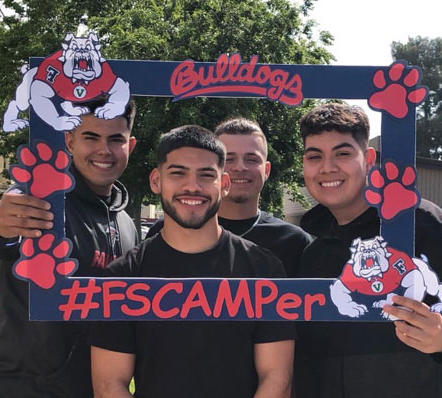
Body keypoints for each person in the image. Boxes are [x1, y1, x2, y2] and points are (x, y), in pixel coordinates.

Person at [293, 103, 442, 398]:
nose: (327, 167)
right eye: (315, 156)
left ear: (368, 159)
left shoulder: (419, 222)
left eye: (343, 153)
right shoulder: (314, 254)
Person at [90, 125, 296, 398]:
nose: (192, 186)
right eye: (178, 173)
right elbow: (109, 385)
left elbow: (277, 378)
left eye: (206, 175)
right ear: (156, 181)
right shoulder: (123, 276)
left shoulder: (264, 269)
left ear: (223, 184)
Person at [0, 100, 139, 398]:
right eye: (91, 137)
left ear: (131, 145)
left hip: (89, 385)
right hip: (19, 385)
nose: (104, 150)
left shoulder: (127, 223)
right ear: (69, 141)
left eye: (115, 139)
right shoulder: (43, 196)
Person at [147, 118, 312, 275]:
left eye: (252, 159)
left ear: (267, 170)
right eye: (229, 159)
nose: (240, 167)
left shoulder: (293, 242)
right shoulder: (166, 231)